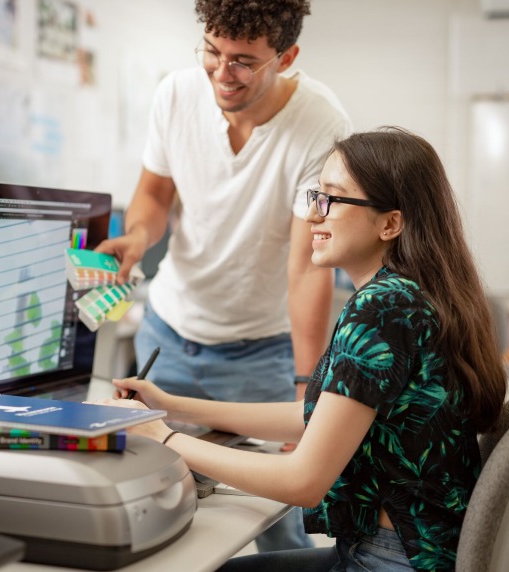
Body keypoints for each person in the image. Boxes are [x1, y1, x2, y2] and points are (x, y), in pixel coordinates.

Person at [92, 127, 508, 571]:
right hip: (410, 553)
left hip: (392, 561)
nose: (313, 215)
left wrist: (163, 438)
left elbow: (304, 480)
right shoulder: (415, 296)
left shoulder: (382, 308)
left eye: (332, 199)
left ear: (390, 223)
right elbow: (319, 415)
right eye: (316, 196)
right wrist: (173, 407)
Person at [96, 0, 351, 552]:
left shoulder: (321, 123)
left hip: (258, 353)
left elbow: (307, 265)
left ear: (286, 57)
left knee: (271, 516)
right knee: (155, 495)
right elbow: (156, 193)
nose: (221, 72)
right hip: (166, 333)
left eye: (243, 61)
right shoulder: (176, 94)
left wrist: (307, 397)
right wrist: (139, 237)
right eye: (212, 52)